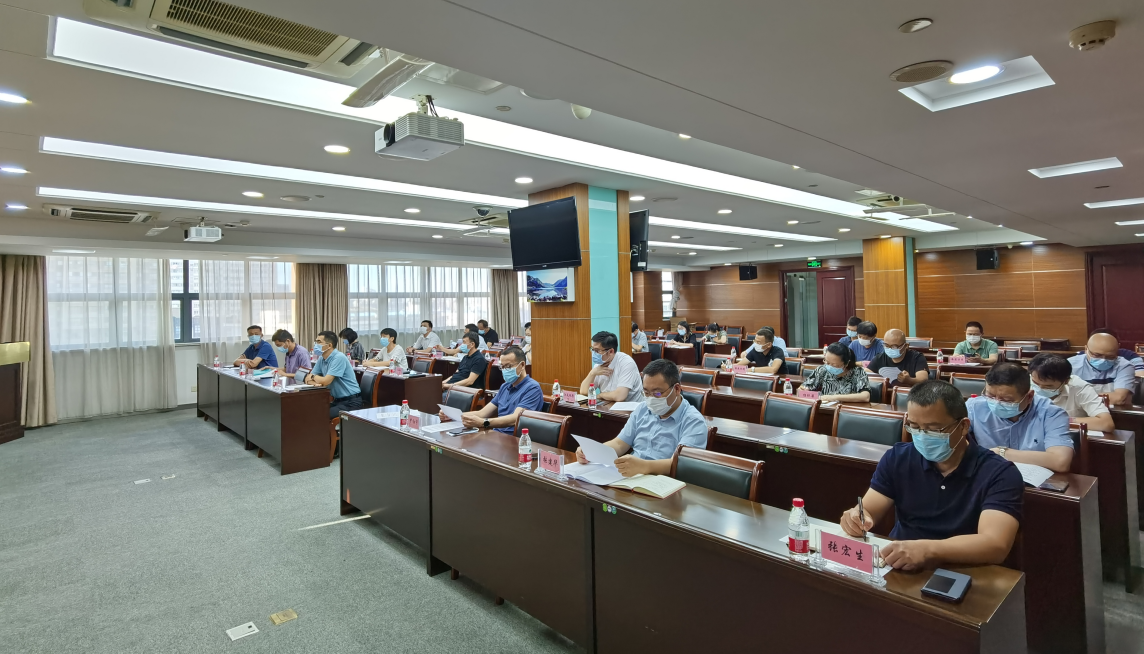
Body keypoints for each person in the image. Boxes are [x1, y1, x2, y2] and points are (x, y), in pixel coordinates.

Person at [839, 381, 1022, 570]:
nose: (922, 436)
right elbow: (869, 509)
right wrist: (856, 517)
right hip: (899, 564)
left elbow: (995, 545)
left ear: (963, 426)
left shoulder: (999, 473)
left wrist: (928, 549)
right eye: (914, 427)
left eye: (934, 429)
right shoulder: (898, 457)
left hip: (964, 569)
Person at [575, 359, 707, 477]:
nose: (651, 398)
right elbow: (620, 444)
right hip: (632, 476)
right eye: (646, 393)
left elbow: (682, 464)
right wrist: (592, 452)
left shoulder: (693, 421)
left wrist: (644, 467)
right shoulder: (643, 409)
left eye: (657, 393)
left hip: (664, 481)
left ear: (677, 389)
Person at [967, 362, 1073, 473]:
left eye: (1007, 400)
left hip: (1035, 479)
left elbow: (1061, 462)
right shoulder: (974, 407)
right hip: (991, 476)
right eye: (991, 396)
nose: (997, 403)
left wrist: (1001, 452)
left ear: (1029, 397)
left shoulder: (1051, 414)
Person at [448, 346, 543, 433]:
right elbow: (482, 413)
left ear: (522, 365)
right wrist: (452, 416)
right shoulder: (505, 386)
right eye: (502, 367)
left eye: (508, 366)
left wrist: (484, 422)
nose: (505, 370)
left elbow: (516, 418)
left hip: (515, 439)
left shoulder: (532, 388)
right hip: (497, 434)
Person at [1028, 353, 1114, 433]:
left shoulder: (1079, 388)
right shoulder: (1025, 382)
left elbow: (1106, 423)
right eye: (1035, 383)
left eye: (1048, 386)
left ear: (1066, 381)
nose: (1040, 388)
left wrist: (1059, 420)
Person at [305, 331, 363, 418]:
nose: (316, 345)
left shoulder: (339, 357)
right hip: (337, 401)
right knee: (310, 411)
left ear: (329, 345)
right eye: (316, 341)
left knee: (319, 416)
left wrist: (313, 377)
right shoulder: (322, 358)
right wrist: (316, 383)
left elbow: (326, 381)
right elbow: (307, 379)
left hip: (351, 402)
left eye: (319, 342)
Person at [1070, 333, 1137, 407]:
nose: (1103, 360)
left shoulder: (1124, 366)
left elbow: (1119, 398)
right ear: (1086, 349)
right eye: (1097, 355)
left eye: (1110, 357)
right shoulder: (1070, 365)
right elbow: (1064, 397)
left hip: (1114, 412)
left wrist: (1079, 398)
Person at [580, 331, 643, 402]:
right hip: (608, 405)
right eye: (592, 350)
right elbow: (584, 392)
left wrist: (601, 395)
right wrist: (592, 373)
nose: (594, 354)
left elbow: (620, 396)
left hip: (630, 407)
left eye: (597, 351)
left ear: (610, 351)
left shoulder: (627, 363)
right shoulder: (599, 364)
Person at [801, 342, 870, 402]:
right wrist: (804, 390)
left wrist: (833, 398)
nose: (829, 366)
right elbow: (803, 388)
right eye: (827, 362)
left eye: (834, 364)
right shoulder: (822, 370)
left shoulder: (858, 372)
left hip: (846, 410)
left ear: (846, 363)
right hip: (825, 408)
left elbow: (865, 397)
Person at [441, 330, 488, 397]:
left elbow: (470, 381)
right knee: (431, 390)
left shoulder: (479, 359)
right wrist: (442, 383)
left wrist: (449, 386)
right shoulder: (465, 357)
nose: (462, 345)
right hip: (453, 387)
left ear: (472, 344)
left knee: (437, 397)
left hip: (465, 390)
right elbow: (455, 375)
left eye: (464, 342)